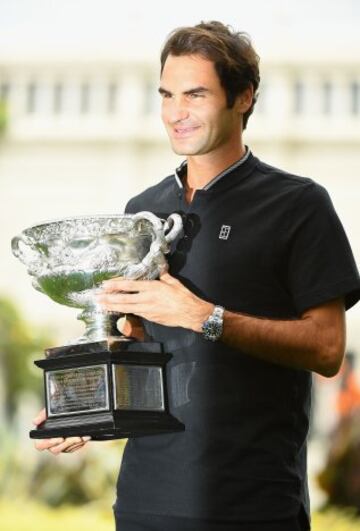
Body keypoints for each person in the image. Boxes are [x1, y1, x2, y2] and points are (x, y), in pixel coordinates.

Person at [33, 20, 360, 531]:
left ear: (243, 98)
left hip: (252, 504)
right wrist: (86, 406)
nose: (175, 113)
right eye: (166, 95)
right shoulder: (142, 212)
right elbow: (138, 341)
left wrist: (204, 317)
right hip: (144, 501)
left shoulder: (299, 204)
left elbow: (325, 349)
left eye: (195, 94)